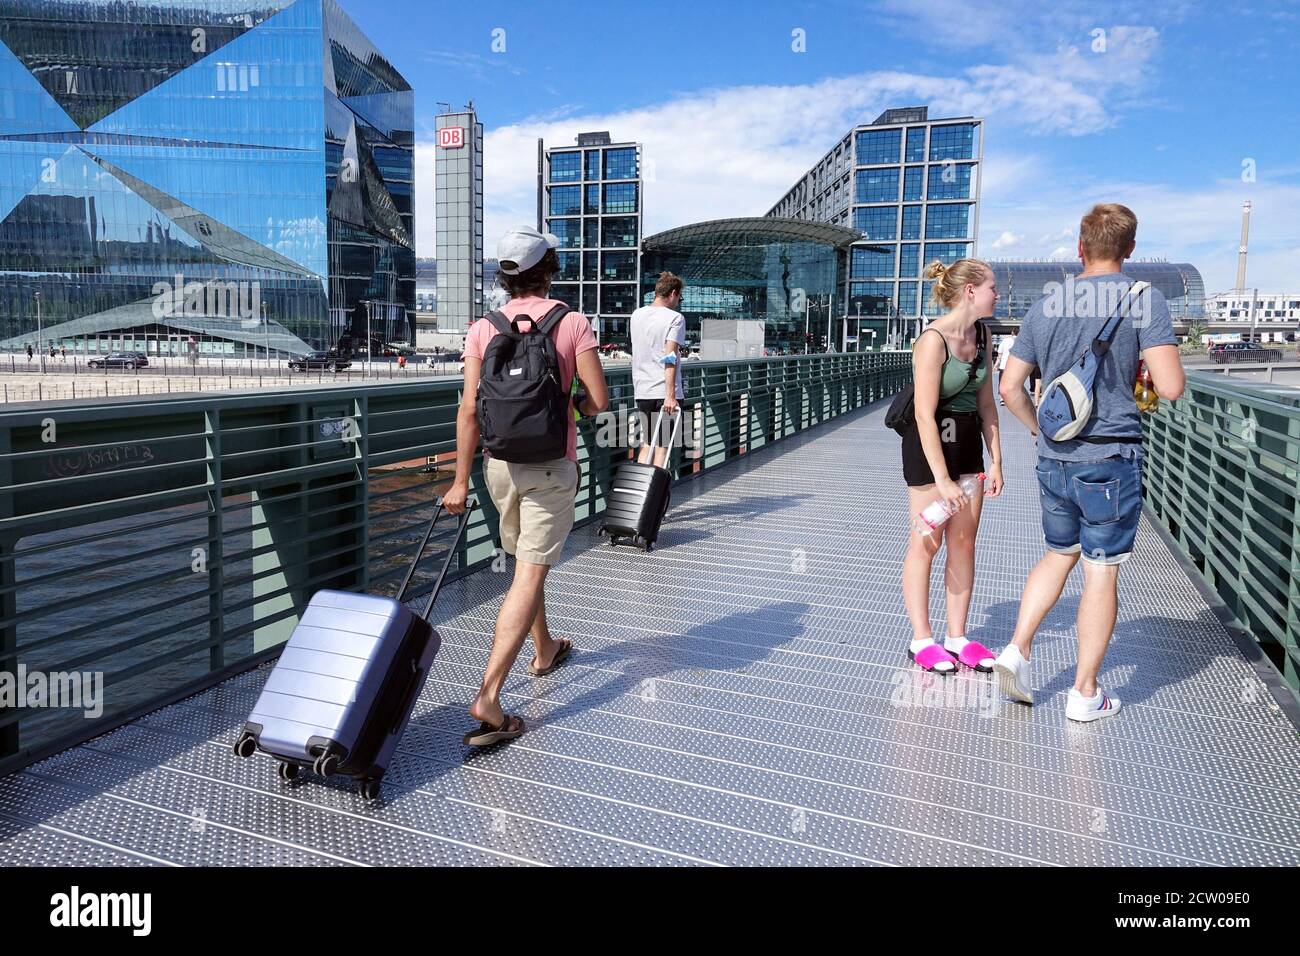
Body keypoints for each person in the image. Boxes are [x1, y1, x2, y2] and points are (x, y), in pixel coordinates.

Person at [994, 203, 1185, 722]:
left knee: (1059, 554)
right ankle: (1084, 694)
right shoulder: (1145, 300)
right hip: (1109, 456)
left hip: (1054, 457)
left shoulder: (1046, 303)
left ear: (1080, 248)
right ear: (1130, 250)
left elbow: (1010, 386)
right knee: (1101, 572)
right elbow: (1170, 387)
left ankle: (1017, 650)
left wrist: (1038, 429)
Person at [443, 225, 608, 747]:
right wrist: (570, 406)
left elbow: (469, 409)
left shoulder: (482, 328)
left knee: (523, 565)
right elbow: (598, 402)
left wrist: (457, 479)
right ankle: (489, 695)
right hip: (549, 466)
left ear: (504, 275)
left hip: (498, 465)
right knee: (529, 573)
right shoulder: (572, 322)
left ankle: (544, 649)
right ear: (549, 268)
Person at [900, 259, 1004, 674]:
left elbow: (987, 405)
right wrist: (942, 480)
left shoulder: (983, 334)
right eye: (993, 287)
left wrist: (997, 461)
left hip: (967, 448)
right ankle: (921, 639)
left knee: (964, 542)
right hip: (929, 451)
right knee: (927, 540)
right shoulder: (932, 340)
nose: (998, 295)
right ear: (970, 291)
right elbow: (923, 414)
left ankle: (957, 636)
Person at [629, 271, 686, 468]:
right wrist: (670, 395)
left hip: (642, 389)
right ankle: (656, 495)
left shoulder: (637, 315)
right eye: (680, 297)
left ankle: (640, 493)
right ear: (673, 293)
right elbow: (669, 358)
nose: (678, 301)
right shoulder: (675, 318)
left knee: (647, 443)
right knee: (662, 447)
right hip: (663, 391)